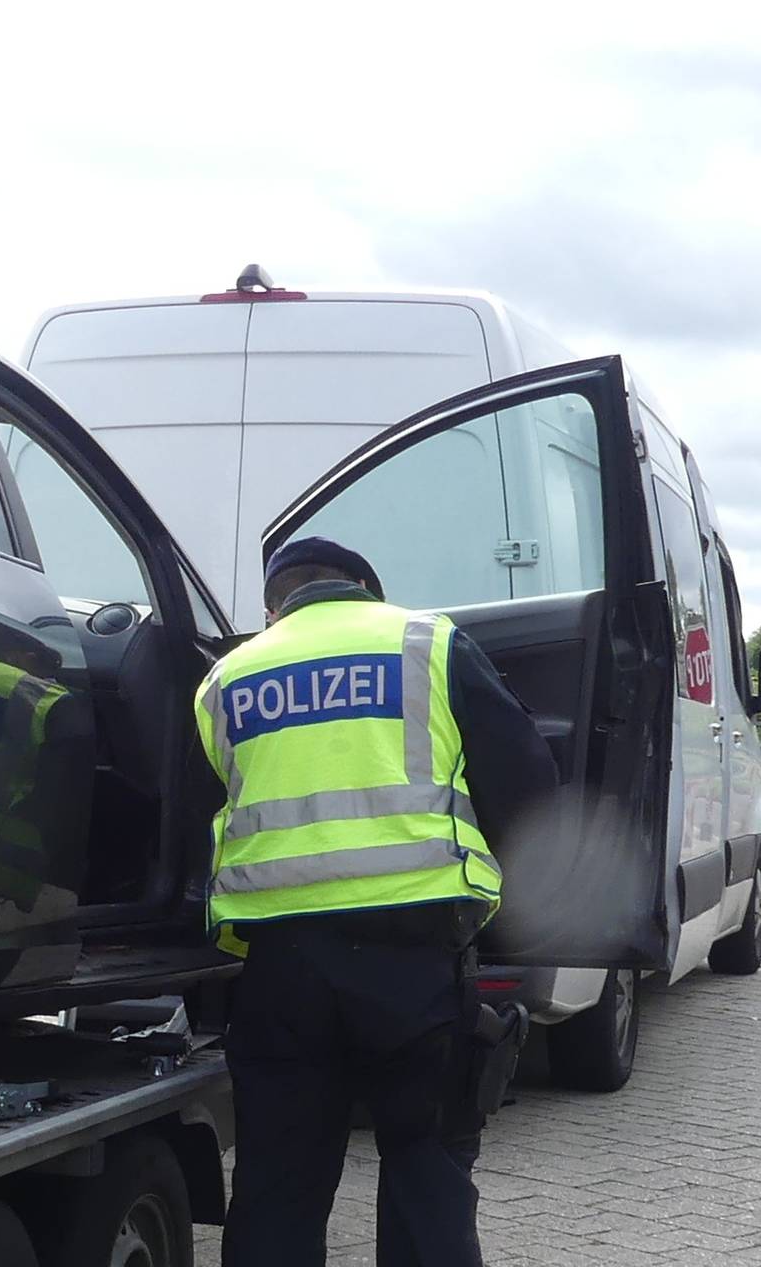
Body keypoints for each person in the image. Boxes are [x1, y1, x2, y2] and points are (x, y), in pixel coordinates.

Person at [195, 537, 557, 1267]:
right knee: (427, 1172)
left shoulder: (226, 677)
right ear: (366, 589)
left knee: (276, 1183)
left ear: (274, 607)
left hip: (279, 965)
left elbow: (204, 811)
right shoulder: (425, 642)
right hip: (414, 956)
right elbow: (527, 782)